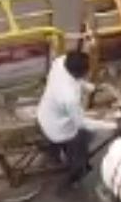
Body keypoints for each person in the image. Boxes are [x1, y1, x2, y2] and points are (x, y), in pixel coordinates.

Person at [36, 50, 114, 188]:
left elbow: (74, 79)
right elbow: (81, 123)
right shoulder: (69, 97)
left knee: (62, 142)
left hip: (44, 114)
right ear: (81, 73)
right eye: (87, 70)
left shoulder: (60, 62)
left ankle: (53, 155)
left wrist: (90, 87)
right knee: (81, 142)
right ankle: (74, 178)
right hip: (58, 129)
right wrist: (111, 125)